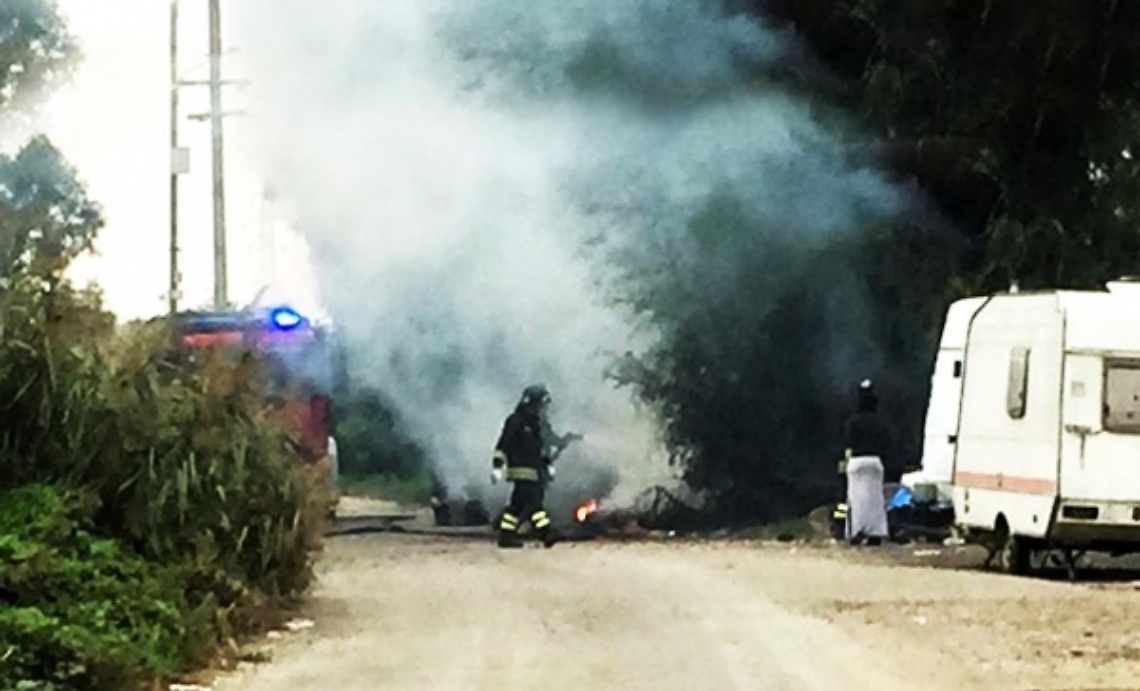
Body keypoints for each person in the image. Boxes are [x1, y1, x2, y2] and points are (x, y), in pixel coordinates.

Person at [490, 384, 582, 549]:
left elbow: (540, 446)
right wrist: (497, 467)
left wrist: (550, 460)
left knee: (516, 506)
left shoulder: (536, 423)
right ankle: (546, 533)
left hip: (535, 470)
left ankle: (506, 536)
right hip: (522, 471)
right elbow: (503, 445)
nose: (544, 408)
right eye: (541, 404)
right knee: (534, 504)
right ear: (532, 403)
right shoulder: (515, 421)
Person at [842, 379, 891, 546]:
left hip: (857, 461)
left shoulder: (853, 422)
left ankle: (856, 531)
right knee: (875, 499)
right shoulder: (880, 422)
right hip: (875, 462)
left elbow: (848, 444)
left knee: (856, 499)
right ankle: (875, 533)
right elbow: (886, 443)